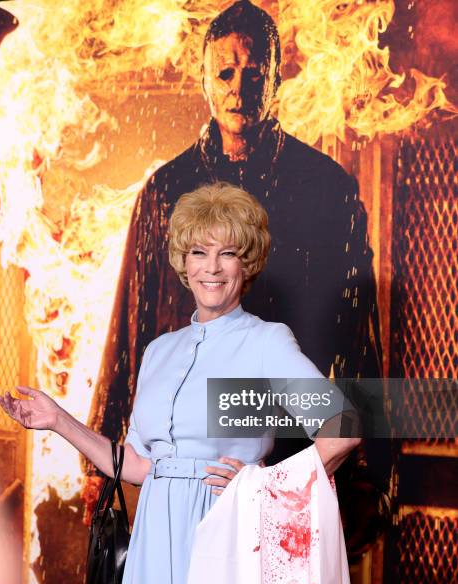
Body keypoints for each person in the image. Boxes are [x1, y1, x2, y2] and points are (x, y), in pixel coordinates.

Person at [0, 183, 360, 584]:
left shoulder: (267, 342)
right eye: (199, 253)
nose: (213, 268)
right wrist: (58, 420)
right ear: (183, 263)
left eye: (228, 253)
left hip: (225, 529)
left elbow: (343, 429)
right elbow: (134, 466)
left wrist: (264, 488)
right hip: (154, 531)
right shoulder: (159, 351)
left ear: (246, 265)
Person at [85, 0, 383, 485]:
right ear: (204, 80)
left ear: (276, 81)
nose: (239, 89)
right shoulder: (166, 189)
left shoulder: (327, 187)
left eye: (254, 74)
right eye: (225, 73)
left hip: (286, 441)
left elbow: (355, 329)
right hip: (181, 441)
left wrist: (366, 471)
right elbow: (132, 321)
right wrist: (104, 446)